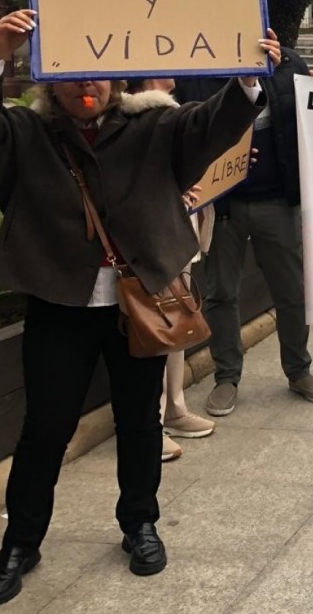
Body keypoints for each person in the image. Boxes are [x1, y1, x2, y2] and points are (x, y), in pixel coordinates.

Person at [0, 10, 270, 606]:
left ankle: (139, 523)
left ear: (116, 81)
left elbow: (213, 124)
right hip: (58, 303)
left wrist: (247, 78)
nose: (84, 88)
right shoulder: (24, 135)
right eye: (70, 79)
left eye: (95, 78)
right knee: (45, 428)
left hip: (139, 302)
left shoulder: (157, 127)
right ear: (49, 83)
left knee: (141, 420)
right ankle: (21, 541)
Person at [174, 38, 313, 419]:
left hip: (277, 201)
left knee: (291, 291)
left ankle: (299, 370)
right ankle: (226, 377)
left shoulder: (288, 64)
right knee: (220, 293)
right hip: (221, 206)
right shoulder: (199, 68)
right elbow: (182, 126)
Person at [124, 78, 217, 463]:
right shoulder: (126, 120)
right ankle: (151, 421)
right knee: (150, 330)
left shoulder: (173, 114)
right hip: (147, 244)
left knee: (177, 320)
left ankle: (174, 407)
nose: (175, 79)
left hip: (178, 234)